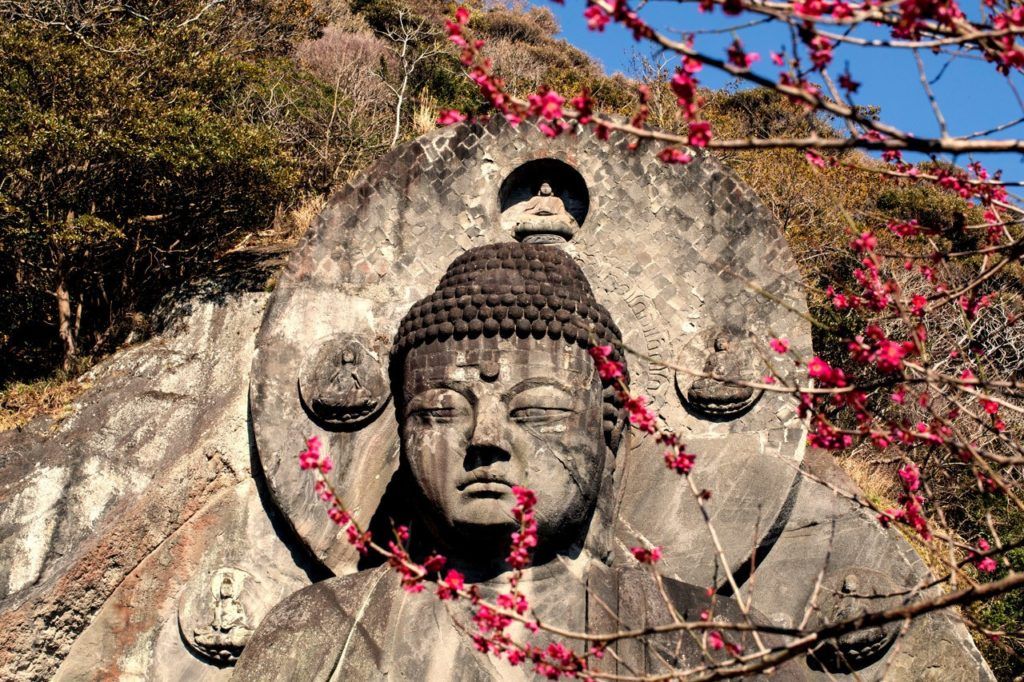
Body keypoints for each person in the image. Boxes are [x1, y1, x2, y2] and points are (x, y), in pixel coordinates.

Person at [233, 243, 799, 680]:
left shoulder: (710, 643)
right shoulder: (311, 636)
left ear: (610, 434)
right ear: (403, 433)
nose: (486, 439)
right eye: (440, 411)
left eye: (536, 410)